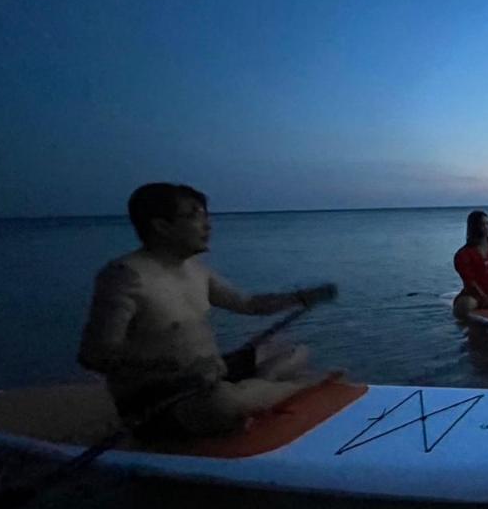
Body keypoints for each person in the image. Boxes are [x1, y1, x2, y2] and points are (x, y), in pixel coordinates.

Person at [78, 182, 338, 439]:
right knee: (222, 403)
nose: (208, 225)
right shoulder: (125, 277)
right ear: (161, 226)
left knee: (293, 351)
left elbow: (248, 304)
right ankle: (288, 389)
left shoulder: (195, 269)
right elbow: (94, 356)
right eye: (194, 216)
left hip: (211, 376)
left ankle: (262, 390)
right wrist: (168, 368)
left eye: (206, 216)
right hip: (160, 400)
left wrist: (301, 298)